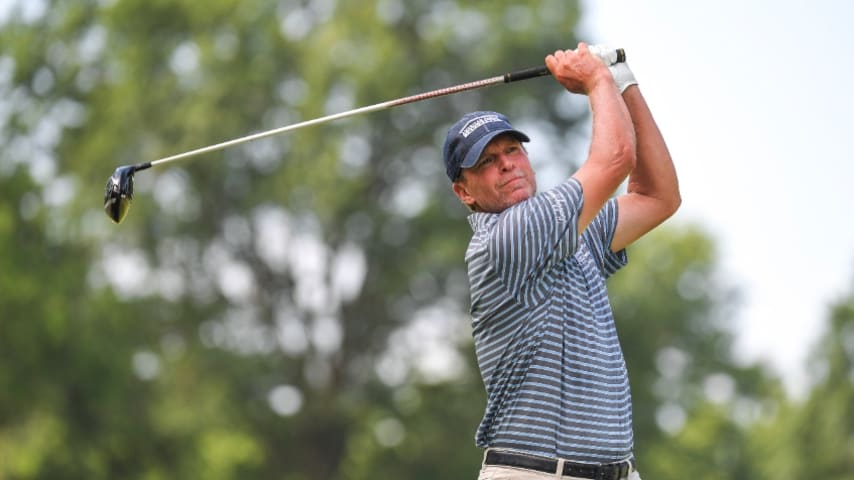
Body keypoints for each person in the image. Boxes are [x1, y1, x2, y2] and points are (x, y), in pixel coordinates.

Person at [442, 43, 680, 480]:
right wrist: (596, 81)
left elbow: (657, 197)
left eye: (513, 150)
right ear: (465, 192)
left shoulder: (570, 232)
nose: (508, 165)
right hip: (537, 473)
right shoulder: (506, 238)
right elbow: (614, 160)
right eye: (488, 162)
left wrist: (624, 81)